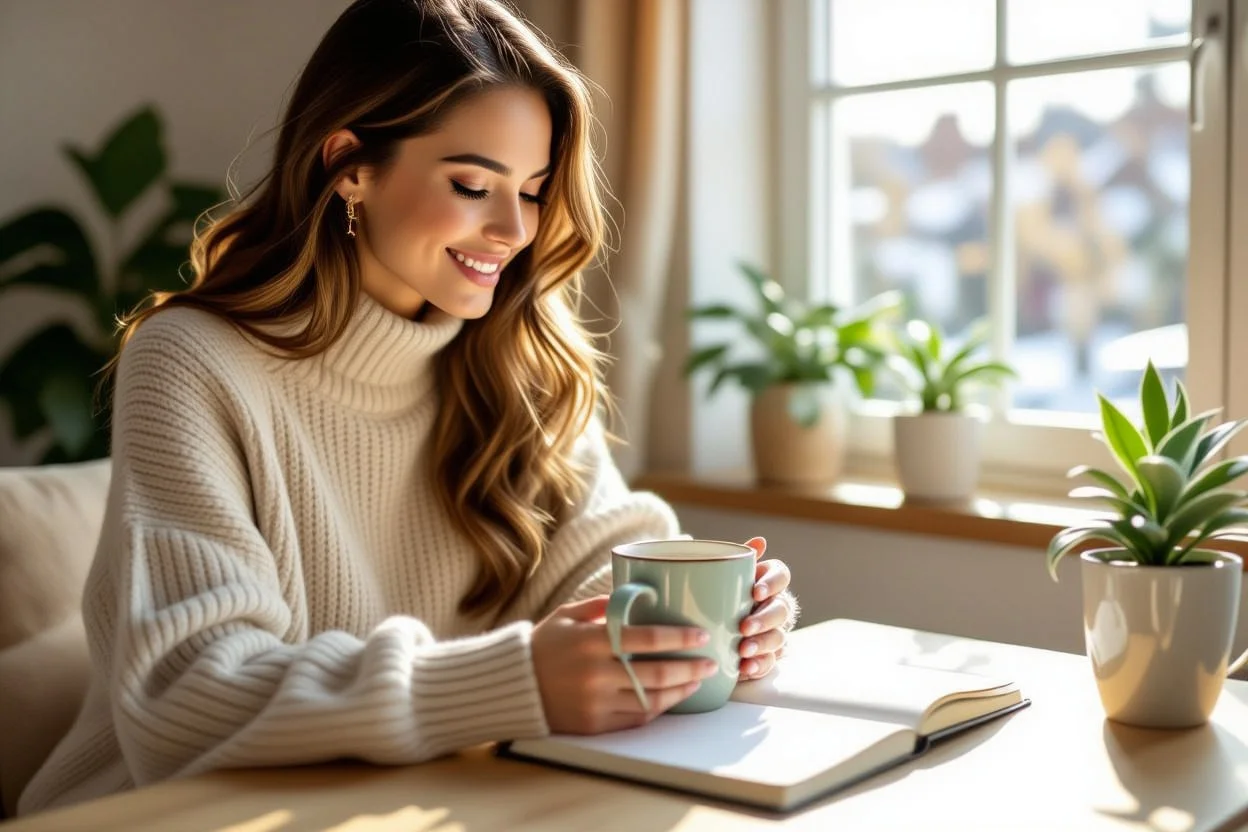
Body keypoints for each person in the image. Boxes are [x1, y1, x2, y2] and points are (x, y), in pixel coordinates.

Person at [18, 0, 796, 815]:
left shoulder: (517, 356)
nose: (512, 230)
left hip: (435, 799)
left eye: (532, 193)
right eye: (472, 185)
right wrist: (515, 679)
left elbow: (599, 567)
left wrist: (708, 625)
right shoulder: (194, 362)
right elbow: (189, 694)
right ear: (350, 164)